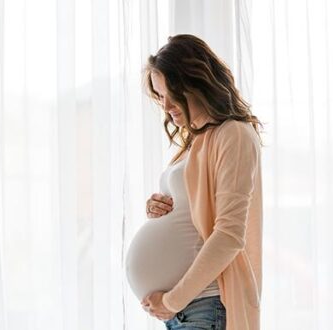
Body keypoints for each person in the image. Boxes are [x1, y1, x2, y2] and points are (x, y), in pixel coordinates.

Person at [141, 34, 265, 330]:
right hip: (187, 309)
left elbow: (229, 235)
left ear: (197, 83)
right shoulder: (196, 141)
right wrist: (156, 210)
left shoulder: (233, 134)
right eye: (159, 95)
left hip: (205, 304)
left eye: (172, 92)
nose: (166, 105)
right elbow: (193, 216)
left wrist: (172, 301)